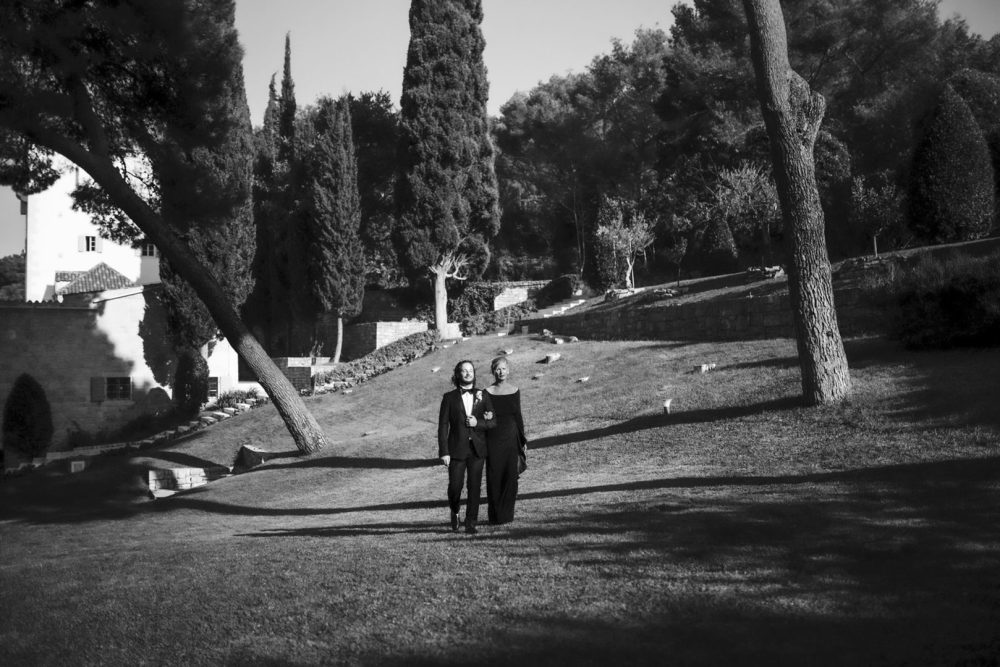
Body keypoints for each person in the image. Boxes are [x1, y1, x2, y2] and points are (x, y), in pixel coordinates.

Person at [438, 360, 495, 534]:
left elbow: (493, 422)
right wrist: (444, 451)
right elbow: (443, 426)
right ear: (458, 375)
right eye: (464, 371)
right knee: (455, 486)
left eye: (470, 370)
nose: (468, 373)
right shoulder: (449, 398)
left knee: (474, 486)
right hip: (456, 449)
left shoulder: (483, 395)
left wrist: (478, 422)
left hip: (478, 449)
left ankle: (471, 523)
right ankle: (454, 511)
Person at [484, 356, 527, 525]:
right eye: (497, 369)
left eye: (504, 368)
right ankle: (495, 516)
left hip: (511, 438)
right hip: (493, 439)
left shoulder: (515, 390)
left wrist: (523, 440)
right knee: (494, 476)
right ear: (493, 371)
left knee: (510, 476)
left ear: (508, 370)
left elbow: (518, 416)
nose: (501, 372)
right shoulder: (486, 392)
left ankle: (507, 515)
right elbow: (482, 416)